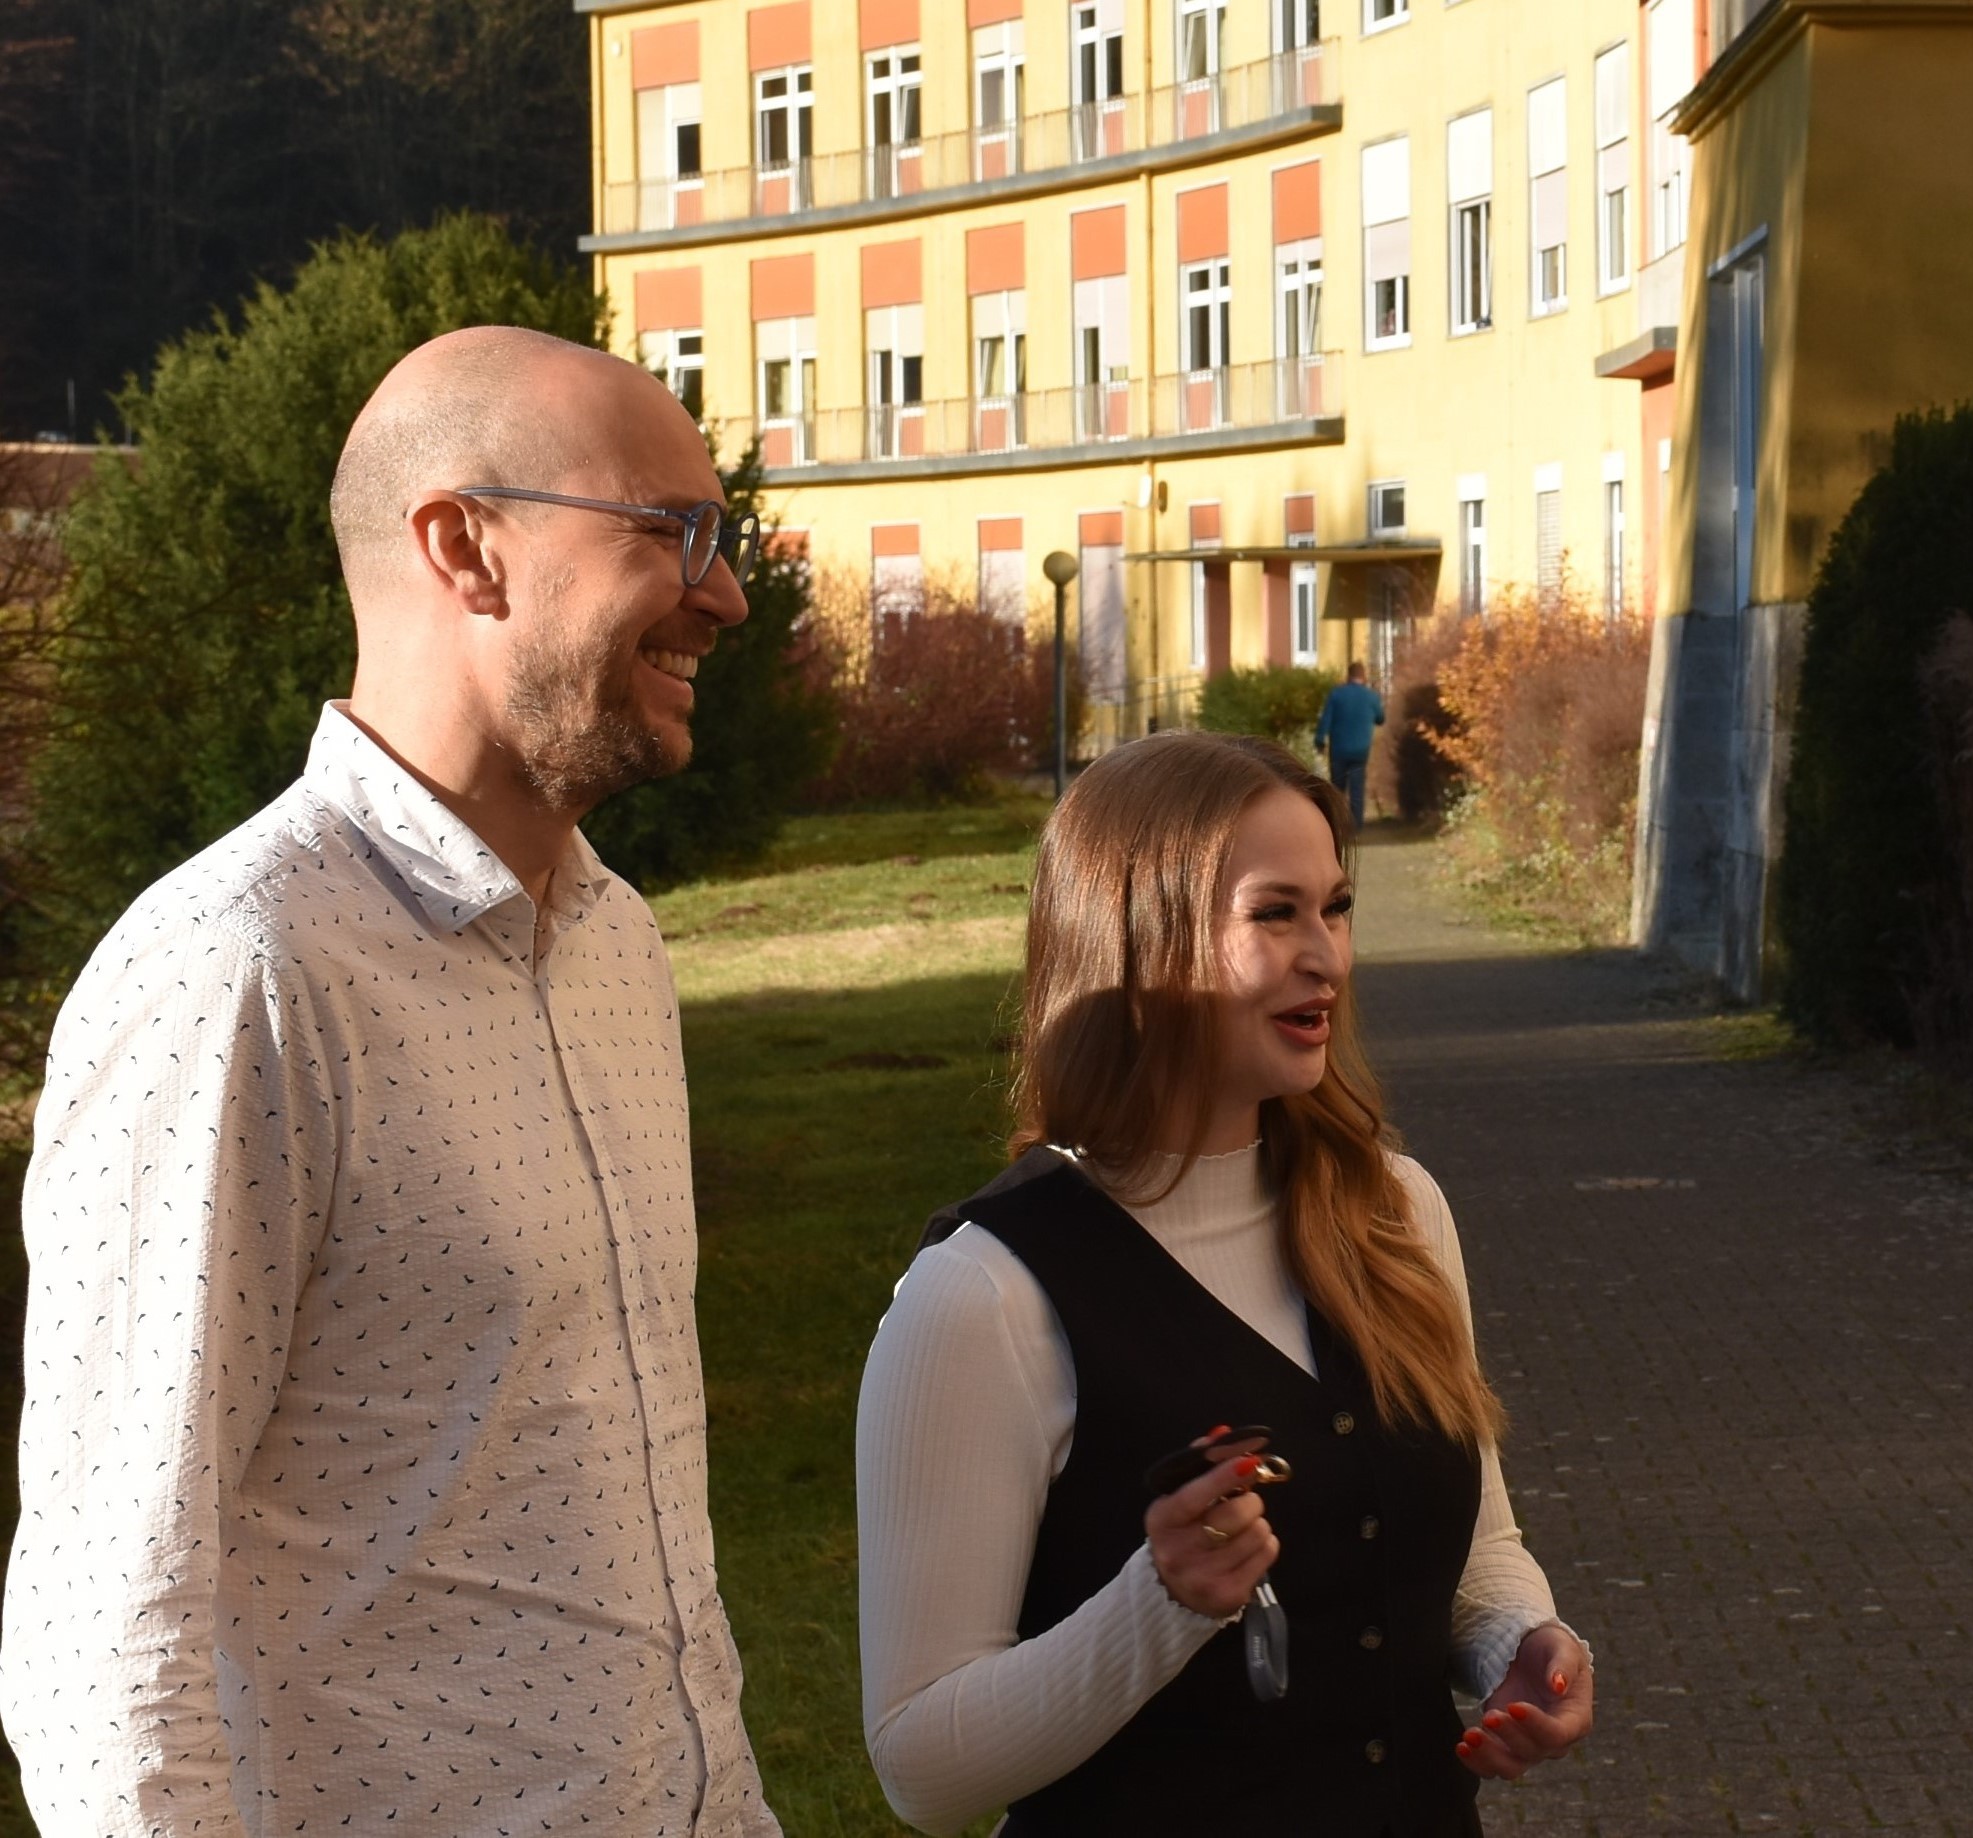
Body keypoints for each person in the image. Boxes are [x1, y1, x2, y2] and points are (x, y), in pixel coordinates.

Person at [0, 328, 780, 1830]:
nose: (724, 591)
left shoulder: (617, 946)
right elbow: (110, 1626)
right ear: (464, 548)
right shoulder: (237, 972)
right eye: (671, 531)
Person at [855, 732, 1591, 1835]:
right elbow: (921, 1763)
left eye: (1335, 908)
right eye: (1275, 913)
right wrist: (1160, 1604)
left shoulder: (1396, 1212)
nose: (1328, 957)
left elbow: (1478, 1541)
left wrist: (1521, 1645)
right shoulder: (983, 1298)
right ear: (1139, 940)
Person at [1313, 658, 1388, 827]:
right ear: (1364, 676)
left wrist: (1319, 740)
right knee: (1357, 788)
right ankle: (1356, 825)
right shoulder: (1371, 697)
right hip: (1360, 750)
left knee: (1338, 788)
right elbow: (1381, 719)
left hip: (1338, 749)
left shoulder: (1336, 695)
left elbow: (1326, 720)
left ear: (1348, 676)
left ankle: (1338, 824)